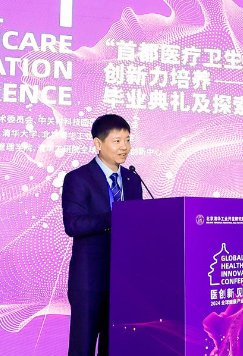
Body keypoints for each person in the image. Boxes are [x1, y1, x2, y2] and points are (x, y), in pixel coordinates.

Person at [62, 114, 143, 356]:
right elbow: (73, 225)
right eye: (117, 141)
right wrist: (117, 216)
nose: (124, 147)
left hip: (124, 280)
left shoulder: (132, 180)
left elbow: (137, 227)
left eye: (127, 140)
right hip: (89, 281)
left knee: (115, 347)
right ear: (98, 143)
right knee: (83, 348)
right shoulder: (78, 178)